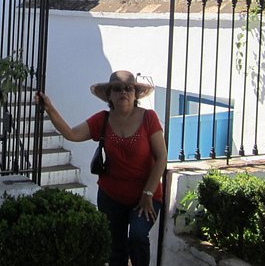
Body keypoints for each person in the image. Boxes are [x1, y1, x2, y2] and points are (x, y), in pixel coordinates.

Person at [36, 70, 167, 266]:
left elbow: (161, 157)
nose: (123, 92)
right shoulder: (102, 120)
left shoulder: (149, 118)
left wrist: (148, 193)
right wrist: (50, 108)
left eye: (128, 88)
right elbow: (71, 134)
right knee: (116, 249)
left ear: (135, 93)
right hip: (111, 197)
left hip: (145, 197)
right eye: (117, 88)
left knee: (138, 238)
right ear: (109, 95)